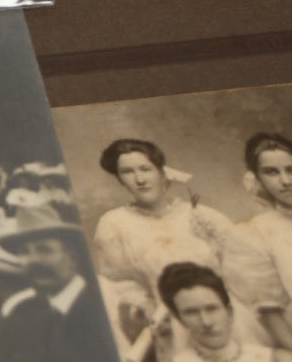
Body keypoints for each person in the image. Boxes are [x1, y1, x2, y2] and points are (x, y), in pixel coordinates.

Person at [91, 137, 247, 356]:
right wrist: (144, 306)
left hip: (224, 319)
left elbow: (241, 264)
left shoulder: (202, 215)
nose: (139, 179)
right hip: (167, 323)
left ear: (162, 171)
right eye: (127, 172)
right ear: (120, 180)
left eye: (146, 169)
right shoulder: (114, 224)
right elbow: (118, 283)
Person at [224, 132, 292, 361]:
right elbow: (270, 314)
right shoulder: (254, 234)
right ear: (258, 180)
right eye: (272, 172)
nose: (286, 181)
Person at [0, 200, 115, 362]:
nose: (34, 260)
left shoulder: (104, 305)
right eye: (24, 252)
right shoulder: (23, 313)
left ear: (72, 256)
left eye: (44, 249)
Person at [156, 263, 274, 362]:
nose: (206, 322)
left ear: (229, 312)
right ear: (179, 319)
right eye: (191, 313)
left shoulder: (272, 359)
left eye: (212, 308)